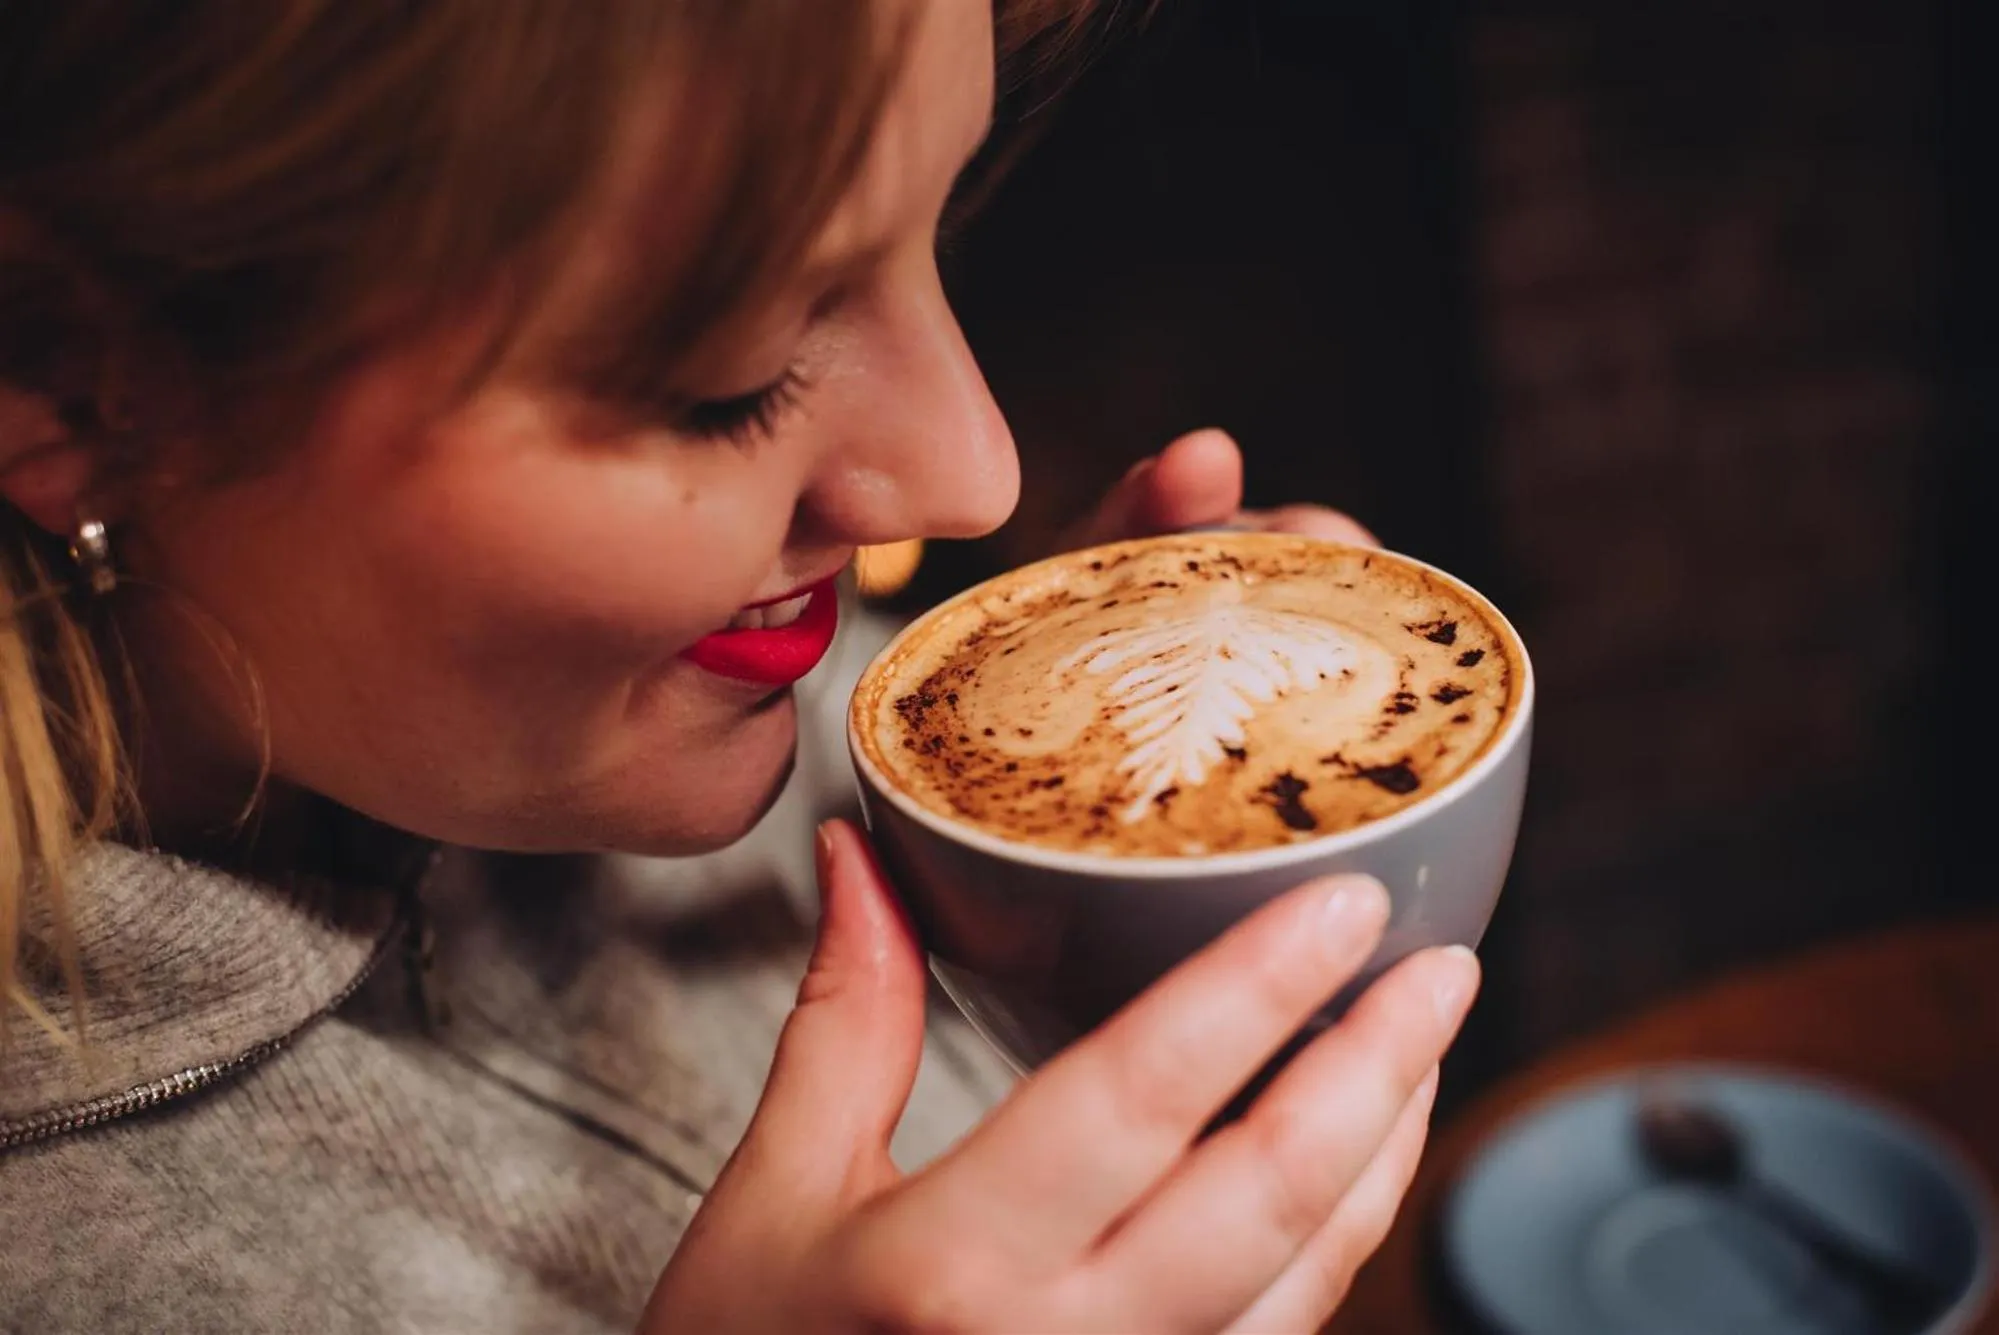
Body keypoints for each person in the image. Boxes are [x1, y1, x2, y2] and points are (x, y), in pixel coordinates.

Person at [0, 1, 1481, 1330]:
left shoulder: (734, 712)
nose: (974, 473)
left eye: (931, 227)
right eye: (733, 374)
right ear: (74, 371)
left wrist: (1075, 870)